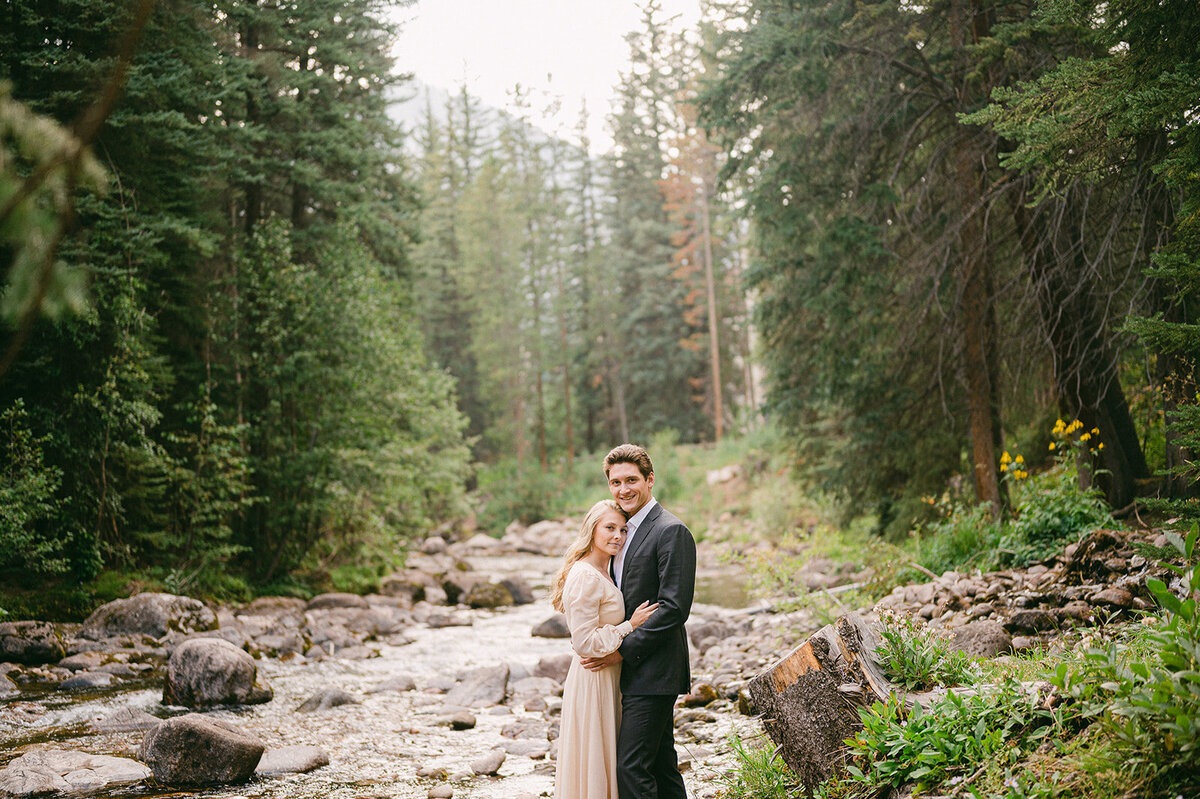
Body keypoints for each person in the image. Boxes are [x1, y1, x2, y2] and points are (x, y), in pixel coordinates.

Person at [581, 444, 697, 799]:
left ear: (650, 480)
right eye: (615, 482)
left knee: (630, 767)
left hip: (655, 670)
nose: (623, 489)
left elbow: (674, 608)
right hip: (635, 672)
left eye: (631, 480)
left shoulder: (670, 531)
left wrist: (622, 651)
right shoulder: (623, 532)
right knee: (661, 766)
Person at [551, 499, 659, 799]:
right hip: (594, 677)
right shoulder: (584, 575)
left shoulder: (608, 567)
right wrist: (630, 625)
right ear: (592, 530)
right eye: (609, 528)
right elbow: (584, 643)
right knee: (596, 760)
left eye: (623, 530)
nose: (618, 537)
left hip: (611, 675)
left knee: (611, 757)